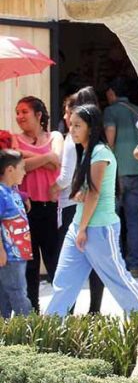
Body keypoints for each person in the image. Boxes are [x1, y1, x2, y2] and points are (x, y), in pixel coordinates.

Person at [45, 104, 138, 317]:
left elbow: (94, 193)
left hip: (98, 229)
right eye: (71, 124)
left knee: (118, 280)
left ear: (91, 128)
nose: (72, 129)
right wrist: (79, 205)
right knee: (63, 282)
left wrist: (82, 229)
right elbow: (88, 191)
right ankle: (50, 326)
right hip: (80, 227)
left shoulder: (100, 152)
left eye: (77, 125)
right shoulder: (87, 152)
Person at [50, 88, 105, 313]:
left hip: (72, 205)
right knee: (95, 262)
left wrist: (51, 188)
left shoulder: (72, 140)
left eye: (67, 111)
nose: (65, 117)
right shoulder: (97, 142)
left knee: (69, 263)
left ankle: (68, 312)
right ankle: (94, 312)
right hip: (89, 205)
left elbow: (66, 177)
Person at [14, 96, 64, 311]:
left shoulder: (55, 136)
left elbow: (58, 161)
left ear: (38, 115)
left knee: (56, 261)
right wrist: (46, 157)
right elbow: (20, 167)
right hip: (26, 209)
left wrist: (27, 156)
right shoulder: (14, 139)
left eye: (24, 112)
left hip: (52, 208)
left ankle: (63, 311)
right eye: (17, 112)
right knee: (30, 265)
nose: (19, 116)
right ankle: (32, 312)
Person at [103, 78, 138, 279]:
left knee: (114, 219)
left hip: (117, 173)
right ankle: (135, 265)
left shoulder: (111, 111)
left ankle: (116, 263)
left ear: (112, 92)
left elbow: (110, 139)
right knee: (134, 220)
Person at [0, 150, 33, 317]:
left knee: (6, 296)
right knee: (18, 294)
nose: (25, 172)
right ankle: (31, 328)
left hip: (18, 255)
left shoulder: (12, 191)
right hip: (9, 256)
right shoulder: (1, 193)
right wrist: (1, 250)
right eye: (22, 168)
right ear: (10, 170)